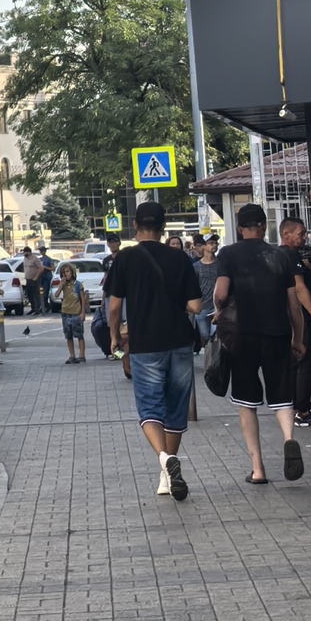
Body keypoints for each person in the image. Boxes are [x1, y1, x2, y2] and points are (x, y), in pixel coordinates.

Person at [104, 199, 203, 502]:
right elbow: (196, 306)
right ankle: (167, 475)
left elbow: (115, 305)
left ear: (135, 227)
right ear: (163, 228)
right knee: (175, 410)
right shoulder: (181, 258)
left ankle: (164, 459)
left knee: (149, 408)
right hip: (180, 342)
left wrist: (114, 336)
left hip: (145, 344)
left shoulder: (124, 259)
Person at [213, 203, 310, 484]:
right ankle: (289, 438)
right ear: (263, 226)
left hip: (242, 336)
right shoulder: (280, 255)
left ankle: (258, 470)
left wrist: (220, 310)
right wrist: (298, 338)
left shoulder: (228, 253)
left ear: (240, 228)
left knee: (247, 402)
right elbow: (293, 302)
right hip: (277, 332)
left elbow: (220, 293)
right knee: (281, 396)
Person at [279, 213, 311, 426]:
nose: (304, 238)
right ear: (285, 234)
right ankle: (303, 410)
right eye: (300, 234)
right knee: (306, 362)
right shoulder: (290, 256)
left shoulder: (278, 256)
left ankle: (293, 408)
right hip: (300, 317)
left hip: (285, 318)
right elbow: (300, 288)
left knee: (293, 364)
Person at [192, 231, 220, 344]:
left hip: (218, 307)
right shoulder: (196, 267)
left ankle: (216, 360)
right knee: (206, 337)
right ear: (203, 246)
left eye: (216, 242)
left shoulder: (221, 263)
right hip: (203, 306)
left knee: (216, 336)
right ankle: (210, 360)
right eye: (211, 243)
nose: (214, 245)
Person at [57, 259, 87, 362]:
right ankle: (72, 355)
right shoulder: (64, 284)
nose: (66, 274)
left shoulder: (78, 285)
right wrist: (61, 285)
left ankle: (81, 355)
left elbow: (82, 299)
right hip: (66, 312)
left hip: (76, 313)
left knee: (79, 335)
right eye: (64, 272)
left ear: (72, 272)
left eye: (68, 271)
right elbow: (56, 295)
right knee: (68, 335)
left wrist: (83, 312)